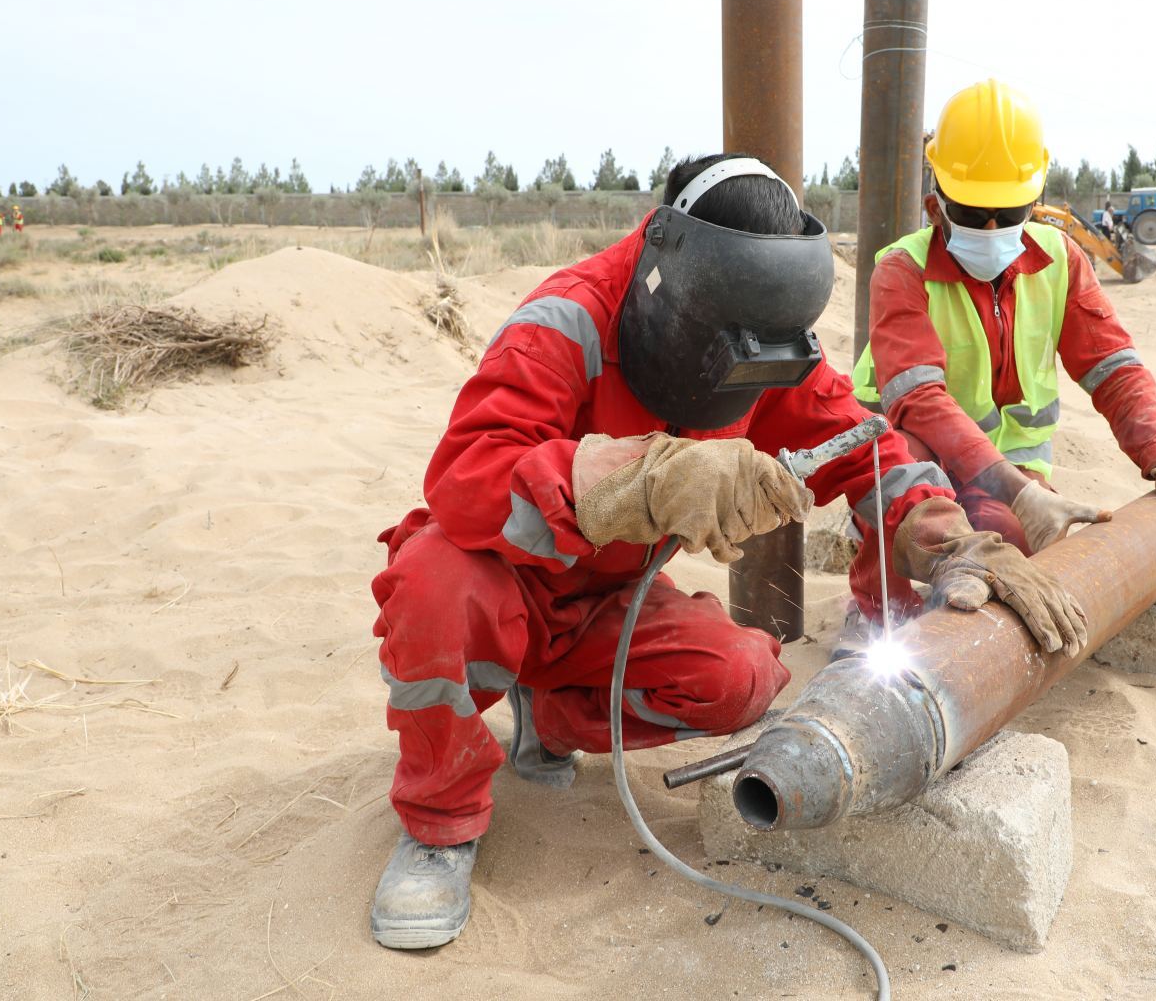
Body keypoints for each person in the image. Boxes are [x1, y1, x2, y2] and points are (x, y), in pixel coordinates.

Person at [365, 152, 1087, 950]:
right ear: (668, 279)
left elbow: (866, 448)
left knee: (742, 680)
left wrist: (947, 536)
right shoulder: (568, 319)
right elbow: (462, 478)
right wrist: (629, 482)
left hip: (607, 603)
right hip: (505, 580)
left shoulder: (766, 335)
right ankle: (437, 826)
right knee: (434, 582)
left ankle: (556, 715)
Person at [853, 79, 1156, 565]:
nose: (990, 228)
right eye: (972, 211)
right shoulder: (902, 271)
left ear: (1034, 203)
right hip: (906, 451)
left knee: (1005, 541)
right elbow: (919, 401)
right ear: (935, 203)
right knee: (908, 507)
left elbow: (1115, 369)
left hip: (1009, 466)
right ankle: (876, 614)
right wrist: (1021, 493)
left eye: (1006, 213)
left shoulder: (1060, 260)